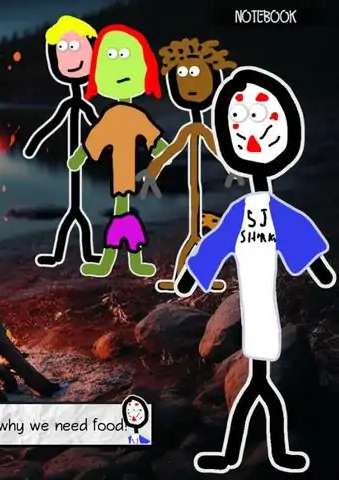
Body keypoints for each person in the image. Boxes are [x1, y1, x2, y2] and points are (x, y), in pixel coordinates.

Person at [175, 66, 335, 474]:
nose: (252, 134)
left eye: (264, 120)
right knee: (260, 387)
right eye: (239, 122)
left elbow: (298, 235)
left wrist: (318, 267)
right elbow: (217, 244)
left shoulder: (276, 211)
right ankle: (257, 453)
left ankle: (254, 453)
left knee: (260, 387)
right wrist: (194, 272)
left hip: (265, 318)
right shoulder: (239, 212)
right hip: (252, 317)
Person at [136, 38, 243, 293]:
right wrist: (153, 169)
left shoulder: (201, 129)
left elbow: (217, 149)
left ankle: (195, 279)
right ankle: (182, 280)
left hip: (197, 194)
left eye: (196, 74)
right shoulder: (189, 129)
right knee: (193, 237)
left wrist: (232, 168)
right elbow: (172, 149)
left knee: (198, 238)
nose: (190, 83)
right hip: (193, 196)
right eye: (183, 76)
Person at [66, 24, 168, 278]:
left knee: (122, 217)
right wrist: (80, 156)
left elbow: (152, 137)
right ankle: (127, 262)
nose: (120, 67)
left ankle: (117, 263)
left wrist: (163, 150)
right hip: (121, 176)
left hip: (129, 176)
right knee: (122, 215)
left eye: (126, 57)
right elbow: (95, 139)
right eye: (111, 57)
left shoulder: (134, 115)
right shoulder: (112, 116)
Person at [23, 15, 101, 268]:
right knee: (74, 215)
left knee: (77, 216)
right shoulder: (68, 104)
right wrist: (34, 142)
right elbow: (53, 124)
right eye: (64, 49)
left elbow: (98, 126)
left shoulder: (83, 104)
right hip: (73, 162)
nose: (71, 56)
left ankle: (85, 255)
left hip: (80, 158)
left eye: (77, 47)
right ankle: (63, 256)